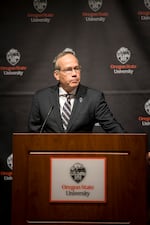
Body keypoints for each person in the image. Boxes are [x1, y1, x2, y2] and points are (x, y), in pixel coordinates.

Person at [28, 48, 125, 133]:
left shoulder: (93, 97)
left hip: (82, 152)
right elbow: (32, 134)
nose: (74, 74)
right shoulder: (41, 97)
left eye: (77, 68)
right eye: (69, 69)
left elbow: (114, 129)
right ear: (57, 75)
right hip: (51, 152)